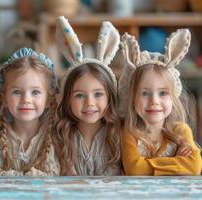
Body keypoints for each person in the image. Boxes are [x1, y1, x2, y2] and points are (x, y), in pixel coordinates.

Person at [119, 29, 202, 175]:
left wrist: (147, 165)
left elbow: (194, 166)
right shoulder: (130, 133)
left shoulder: (181, 131)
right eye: (145, 93)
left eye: (162, 93)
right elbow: (135, 169)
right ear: (132, 98)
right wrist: (177, 163)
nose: (154, 101)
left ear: (173, 97)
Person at [53, 16, 122, 176]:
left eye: (98, 94)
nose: (89, 103)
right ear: (67, 99)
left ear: (110, 97)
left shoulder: (117, 133)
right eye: (79, 96)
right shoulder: (62, 134)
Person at [0, 47, 59, 176]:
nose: (26, 100)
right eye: (17, 92)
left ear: (48, 100)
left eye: (35, 92)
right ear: (4, 98)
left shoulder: (56, 137)